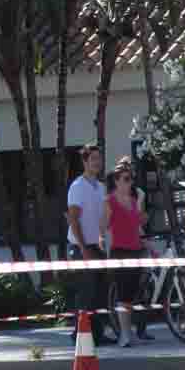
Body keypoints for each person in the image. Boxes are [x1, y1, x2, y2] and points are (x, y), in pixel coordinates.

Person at [67, 144, 114, 345]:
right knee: (86, 292)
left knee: (100, 292)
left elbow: (102, 218)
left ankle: (97, 334)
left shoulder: (101, 187)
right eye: (93, 159)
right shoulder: (77, 186)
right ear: (85, 161)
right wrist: (83, 248)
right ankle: (79, 335)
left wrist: (103, 241)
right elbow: (74, 219)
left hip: (97, 246)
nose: (97, 162)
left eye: (99, 158)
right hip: (81, 247)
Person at [105, 158, 153, 347]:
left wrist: (146, 243)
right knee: (124, 294)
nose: (129, 181)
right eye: (125, 178)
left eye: (131, 178)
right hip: (120, 250)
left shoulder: (135, 198)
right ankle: (124, 333)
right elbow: (106, 225)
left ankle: (134, 331)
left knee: (135, 293)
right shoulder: (110, 200)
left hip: (136, 248)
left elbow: (139, 223)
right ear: (117, 180)